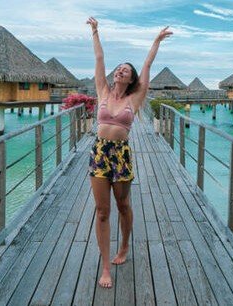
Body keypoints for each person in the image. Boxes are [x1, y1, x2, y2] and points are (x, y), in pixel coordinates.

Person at [86, 16, 171, 288]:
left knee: (123, 206)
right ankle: (106, 267)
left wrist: (156, 41)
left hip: (121, 154)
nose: (120, 71)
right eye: (119, 68)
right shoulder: (102, 91)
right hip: (99, 153)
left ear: (131, 78)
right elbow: (99, 59)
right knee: (102, 212)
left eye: (125, 70)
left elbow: (147, 65)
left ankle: (123, 248)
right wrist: (96, 32)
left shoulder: (135, 98)